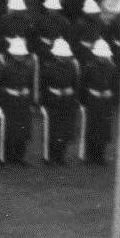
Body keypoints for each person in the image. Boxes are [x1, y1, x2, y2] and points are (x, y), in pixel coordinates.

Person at [38, 37, 80, 165]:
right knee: (54, 129)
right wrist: (45, 100)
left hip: (67, 100)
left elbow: (75, 83)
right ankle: (51, 156)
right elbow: (43, 85)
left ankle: (61, 156)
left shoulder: (72, 66)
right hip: (54, 100)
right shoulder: (48, 66)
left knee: (65, 130)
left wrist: (71, 93)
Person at [0, 35, 37, 166]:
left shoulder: (28, 68)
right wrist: (5, 96)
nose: (20, 56)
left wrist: (29, 98)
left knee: (23, 130)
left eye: (21, 54)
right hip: (10, 101)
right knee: (9, 130)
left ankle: (20, 157)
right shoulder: (6, 67)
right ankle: (7, 157)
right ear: (12, 54)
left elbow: (30, 85)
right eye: (17, 54)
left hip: (24, 102)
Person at [78, 38, 116, 165]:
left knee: (104, 130)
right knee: (92, 129)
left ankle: (100, 156)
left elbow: (116, 86)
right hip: (93, 101)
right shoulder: (90, 67)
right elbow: (83, 84)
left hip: (105, 102)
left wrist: (111, 94)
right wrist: (84, 100)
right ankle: (90, 156)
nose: (102, 58)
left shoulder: (112, 68)